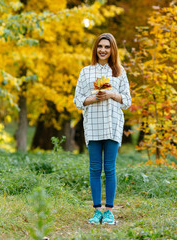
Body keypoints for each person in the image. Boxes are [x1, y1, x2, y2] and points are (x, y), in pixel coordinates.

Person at [73, 33, 131, 225]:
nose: (103, 50)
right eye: (100, 46)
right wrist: (93, 98)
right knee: (95, 169)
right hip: (93, 124)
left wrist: (111, 95)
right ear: (96, 48)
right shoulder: (86, 72)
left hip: (113, 124)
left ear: (112, 49)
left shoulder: (120, 72)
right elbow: (78, 100)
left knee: (110, 168)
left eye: (107, 47)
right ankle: (97, 210)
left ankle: (109, 211)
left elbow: (127, 101)